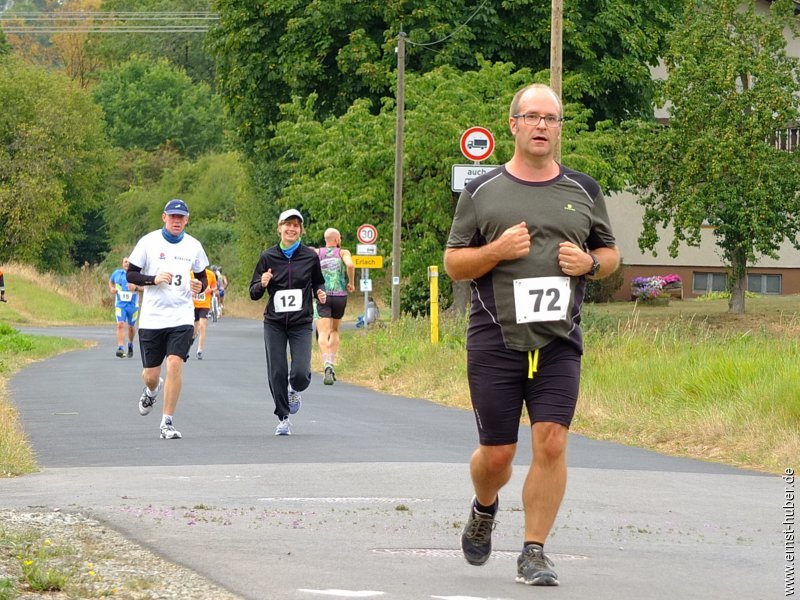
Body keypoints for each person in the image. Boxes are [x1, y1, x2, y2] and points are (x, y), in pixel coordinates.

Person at [444, 83, 620, 587]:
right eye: (533, 116)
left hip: (559, 338)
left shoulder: (583, 190)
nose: (543, 125)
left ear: (560, 128)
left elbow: (611, 256)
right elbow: (455, 263)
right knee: (498, 454)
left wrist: (589, 263)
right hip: (495, 337)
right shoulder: (482, 192)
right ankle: (484, 505)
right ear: (514, 124)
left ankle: (534, 551)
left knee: (551, 439)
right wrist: (496, 251)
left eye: (552, 118)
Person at [125, 199, 209, 440]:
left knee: (174, 363)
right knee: (151, 375)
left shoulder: (194, 246)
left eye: (180, 218)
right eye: (172, 217)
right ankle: (152, 390)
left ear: (187, 220)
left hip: (181, 315)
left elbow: (203, 278)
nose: (176, 221)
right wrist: (153, 279)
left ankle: (167, 422)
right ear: (164, 217)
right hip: (152, 318)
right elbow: (130, 273)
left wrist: (198, 285)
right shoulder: (148, 242)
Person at [249, 208, 327, 436]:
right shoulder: (268, 257)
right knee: (277, 371)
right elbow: (253, 293)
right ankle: (283, 417)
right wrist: (262, 283)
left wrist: (320, 293)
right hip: (274, 322)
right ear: (279, 228)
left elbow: (318, 283)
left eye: (296, 225)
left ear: (300, 230)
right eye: (287, 224)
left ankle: (295, 388)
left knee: (301, 372)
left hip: (301, 322)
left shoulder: (310, 256)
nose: (291, 229)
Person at [316, 228, 355, 385]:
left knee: (322, 332)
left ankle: (326, 364)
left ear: (326, 239)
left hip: (322, 295)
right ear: (337, 240)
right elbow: (350, 265)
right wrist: (351, 283)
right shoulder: (343, 252)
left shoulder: (317, 253)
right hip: (340, 296)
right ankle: (332, 363)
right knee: (334, 330)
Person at [108, 257, 141, 358]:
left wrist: (136, 288)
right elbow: (111, 281)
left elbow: (146, 287)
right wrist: (112, 289)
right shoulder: (117, 273)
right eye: (125, 262)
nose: (127, 264)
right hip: (120, 304)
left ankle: (130, 344)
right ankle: (120, 348)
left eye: (129, 262)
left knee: (131, 327)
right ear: (122, 263)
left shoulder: (137, 275)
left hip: (132, 305)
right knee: (120, 324)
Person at [190, 267, 217, 360]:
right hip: (193, 305)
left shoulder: (210, 274)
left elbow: (215, 286)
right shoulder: (190, 274)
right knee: (193, 329)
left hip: (204, 305)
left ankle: (199, 350)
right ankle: (192, 339)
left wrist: (211, 290)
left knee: (202, 326)